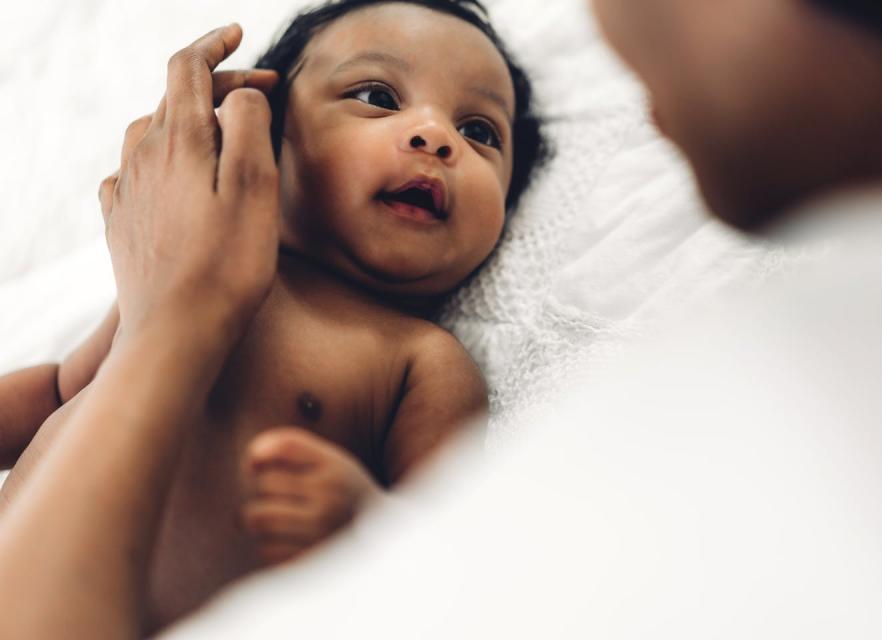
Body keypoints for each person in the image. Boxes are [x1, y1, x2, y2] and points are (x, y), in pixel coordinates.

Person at [0, 0, 545, 636]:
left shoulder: (422, 361)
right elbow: (63, 388)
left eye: (481, 133)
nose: (436, 137)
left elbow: (447, 544)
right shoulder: (174, 263)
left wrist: (362, 516)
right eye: (377, 95)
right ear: (263, 133)